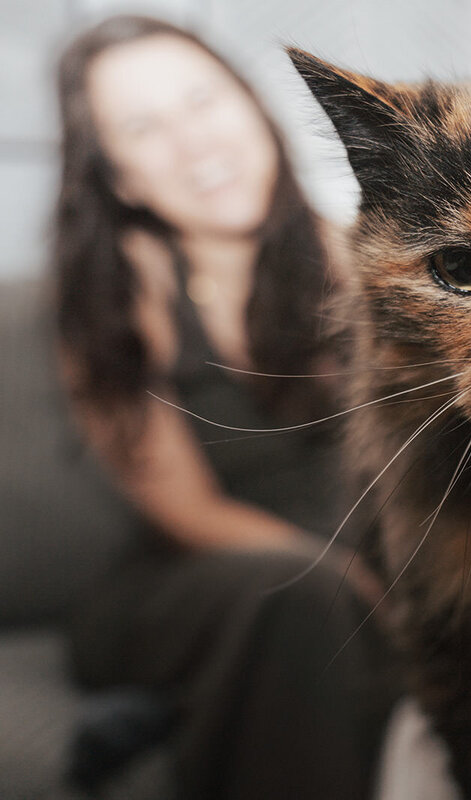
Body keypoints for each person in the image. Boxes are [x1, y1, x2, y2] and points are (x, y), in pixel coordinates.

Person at [52, 16, 394, 799]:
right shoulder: (117, 294)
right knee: (301, 599)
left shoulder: (363, 257)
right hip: (191, 584)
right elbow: (186, 510)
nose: (191, 142)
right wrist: (355, 582)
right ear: (121, 178)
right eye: (143, 126)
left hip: (341, 588)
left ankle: (174, 711)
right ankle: (179, 691)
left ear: (253, 107)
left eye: (203, 102)